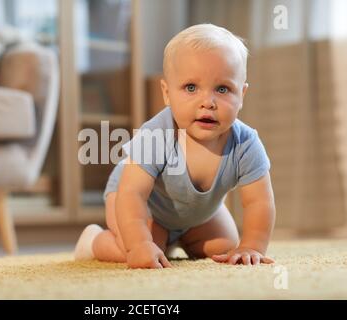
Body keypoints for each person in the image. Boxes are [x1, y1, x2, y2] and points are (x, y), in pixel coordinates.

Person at [74, 23, 276, 268]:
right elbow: (133, 195)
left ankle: (181, 238)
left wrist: (252, 246)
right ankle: (94, 241)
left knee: (224, 246)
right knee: (147, 247)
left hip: (196, 213)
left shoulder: (245, 143)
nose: (208, 102)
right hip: (137, 204)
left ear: (241, 95)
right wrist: (139, 244)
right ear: (167, 93)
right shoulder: (157, 135)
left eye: (223, 89)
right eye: (191, 88)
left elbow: (259, 202)